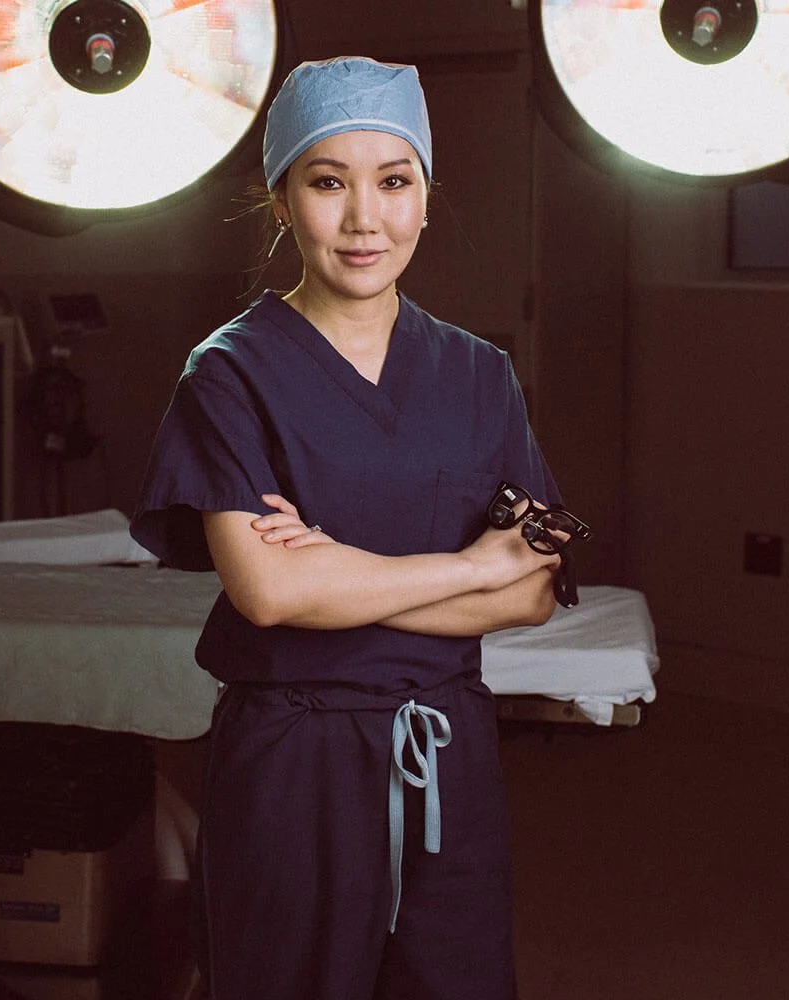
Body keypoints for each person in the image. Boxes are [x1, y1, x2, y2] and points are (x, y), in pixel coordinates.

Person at [130, 56, 566, 1000]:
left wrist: (346, 572)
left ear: (424, 196)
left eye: (394, 182)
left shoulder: (481, 375)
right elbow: (271, 592)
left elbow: (531, 591)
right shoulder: (232, 375)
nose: (365, 219)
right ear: (282, 199)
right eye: (328, 182)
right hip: (294, 762)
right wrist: (466, 564)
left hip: (449, 754)